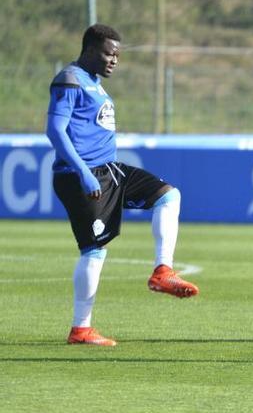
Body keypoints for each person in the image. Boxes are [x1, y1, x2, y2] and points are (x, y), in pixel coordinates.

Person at [46, 24, 199, 347]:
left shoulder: (96, 84)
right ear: (89, 50)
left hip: (109, 171)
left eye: (117, 55)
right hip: (81, 175)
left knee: (168, 196)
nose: (114, 60)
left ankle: (163, 271)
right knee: (94, 250)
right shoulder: (70, 80)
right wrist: (84, 173)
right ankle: (81, 329)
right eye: (108, 53)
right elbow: (55, 131)